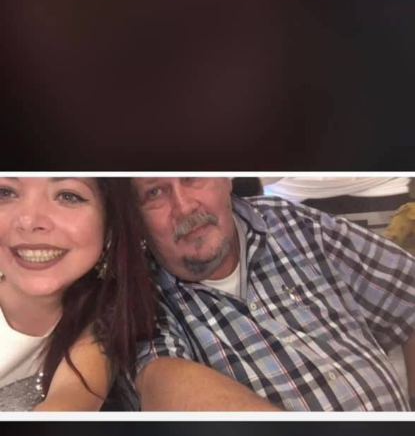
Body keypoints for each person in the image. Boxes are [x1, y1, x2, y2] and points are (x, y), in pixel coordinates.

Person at [134, 177, 415, 412]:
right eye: (154, 193)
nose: (185, 207)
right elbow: (161, 383)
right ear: (133, 218)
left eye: (193, 177)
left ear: (226, 179)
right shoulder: (142, 291)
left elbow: (407, 293)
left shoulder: (290, 222)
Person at [0, 176, 154, 412]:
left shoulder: (105, 322)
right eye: (5, 193)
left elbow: (71, 400)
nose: (29, 221)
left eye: (68, 196)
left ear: (110, 224)